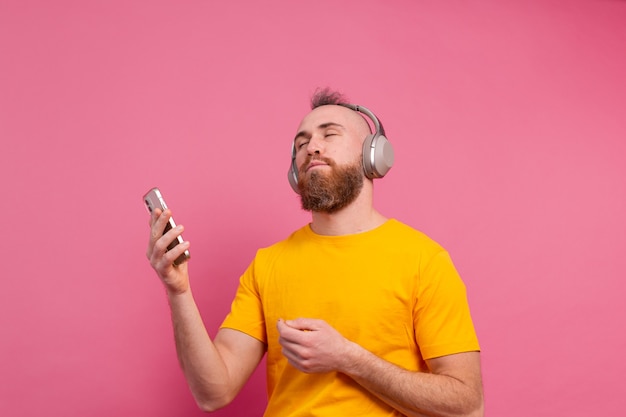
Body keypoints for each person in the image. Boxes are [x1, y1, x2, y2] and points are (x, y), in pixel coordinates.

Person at [146, 88, 484, 417]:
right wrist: (179, 290)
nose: (311, 148)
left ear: (372, 154)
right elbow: (213, 393)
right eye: (301, 142)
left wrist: (348, 358)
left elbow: (467, 407)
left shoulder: (424, 260)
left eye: (329, 135)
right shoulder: (268, 264)